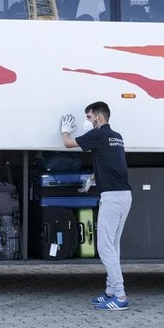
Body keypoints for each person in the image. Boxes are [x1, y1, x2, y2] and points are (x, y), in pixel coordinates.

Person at [60, 102, 132, 311]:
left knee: (104, 247)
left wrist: (65, 129)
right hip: (124, 195)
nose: (88, 121)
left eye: (89, 117)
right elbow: (111, 162)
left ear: (99, 119)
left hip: (112, 197)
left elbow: (68, 143)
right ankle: (110, 291)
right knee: (113, 245)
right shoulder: (116, 136)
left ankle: (119, 295)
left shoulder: (98, 135)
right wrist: (94, 177)